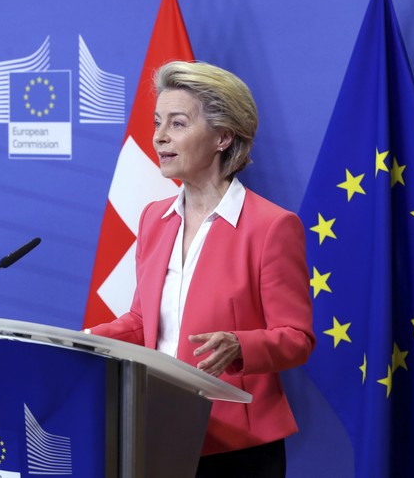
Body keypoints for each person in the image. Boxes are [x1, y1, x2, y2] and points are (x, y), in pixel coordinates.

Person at [86, 61, 315, 477]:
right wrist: (80, 342)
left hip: (236, 445)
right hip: (155, 426)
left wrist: (241, 346)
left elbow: (297, 339)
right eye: (158, 123)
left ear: (223, 136)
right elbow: (142, 322)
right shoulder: (154, 219)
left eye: (177, 123)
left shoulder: (271, 227)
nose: (159, 137)